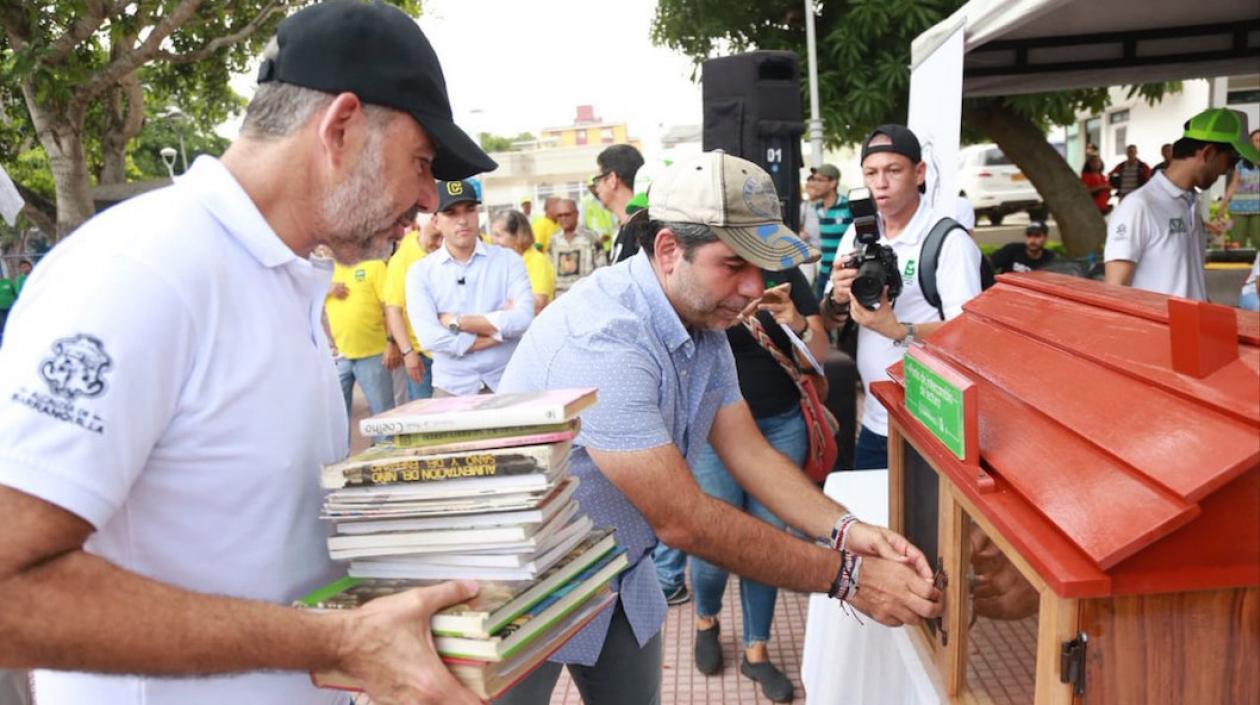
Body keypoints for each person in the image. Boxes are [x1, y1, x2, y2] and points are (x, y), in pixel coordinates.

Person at [0, 3, 498, 705]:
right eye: (422, 163)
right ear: (342, 127)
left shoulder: (280, 275)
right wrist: (338, 640)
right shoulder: (141, 271)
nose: (426, 200)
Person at [493, 151, 941, 705]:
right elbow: (684, 522)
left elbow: (746, 449)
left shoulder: (704, 320)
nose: (755, 287)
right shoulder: (603, 339)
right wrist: (848, 578)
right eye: (734, 265)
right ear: (667, 250)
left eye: (762, 266)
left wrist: (845, 529)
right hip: (522, 584)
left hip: (619, 575)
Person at [689, 265, 830, 702]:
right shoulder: (706, 266)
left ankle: (757, 650)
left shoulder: (784, 271)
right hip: (718, 431)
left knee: (769, 541)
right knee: (714, 545)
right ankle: (706, 619)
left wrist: (801, 324)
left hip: (782, 426)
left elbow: (820, 354)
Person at [822, 124, 983, 471]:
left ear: (919, 172)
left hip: (934, 426)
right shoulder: (857, 232)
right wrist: (837, 296)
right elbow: (829, 319)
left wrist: (899, 330)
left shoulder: (947, 241)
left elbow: (971, 334)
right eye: (871, 172)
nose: (881, 183)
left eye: (893, 170)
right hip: (877, 419)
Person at [1105, 109, 1257, 301]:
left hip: (1192, 328)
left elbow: (1190, 282)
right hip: (1159, 330)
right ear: (1209, 153)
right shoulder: (1139, 206)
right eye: (1232, 159)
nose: (1230, 169)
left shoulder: (1190, 205)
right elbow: (1115, 291)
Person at [407, 180, 534, 397]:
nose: (463, 220)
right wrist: (495, 335)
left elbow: (523, 319)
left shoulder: (508, 261)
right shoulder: (421, 273)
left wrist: (457, 322)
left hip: (508, 382)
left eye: (470, 210)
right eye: (451, 213)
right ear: (436, 221)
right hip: (452, 387)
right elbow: (429, 337)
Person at [325, 255, 395, 424]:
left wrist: (391, 342)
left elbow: (390, 306)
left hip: (373, 354)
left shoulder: (375, 265)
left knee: (383, 417)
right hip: (338, 357)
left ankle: (385, 450)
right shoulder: (324, 271)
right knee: (336, 420)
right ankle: (343, 452)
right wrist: (324, 288)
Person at [492, 209, 556, 313]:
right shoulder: (506, 262)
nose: (493, 241)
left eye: (498, 235)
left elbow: (539, 303)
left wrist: (501, 303)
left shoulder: (537, 260)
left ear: (517, 235)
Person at [592, 144, 645, 263]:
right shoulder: (625, 229)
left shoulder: (642, 231)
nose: (597, 189)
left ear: (612, 179)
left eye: (597, 181)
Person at [808, 163, 852, 299]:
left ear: (833, 183)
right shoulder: (816, 208)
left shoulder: (848, 206)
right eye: (814, 179)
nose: (815, 184)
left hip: (844, 274)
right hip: (824, 271)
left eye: (820, 180)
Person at [547, 197, 605, 295]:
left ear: (576, 214)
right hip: (560, 297)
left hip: (586, 294)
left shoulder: (591, 237)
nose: (563, 218)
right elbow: (549, 270)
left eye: (567, 214)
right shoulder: (554, 240)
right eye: (559, 216)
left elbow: (602, 268)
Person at [1219, 129, 1260, 248]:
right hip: (1238, 208)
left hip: (1258, 210)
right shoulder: (1241, 163)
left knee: (1258, 242)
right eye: (1256, 140)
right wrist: (1223, 205)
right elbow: (1234, 184)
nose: (1259, 143)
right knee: (1237, 242)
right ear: (1250, 144)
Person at [990, 221, 1057, 274]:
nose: (1032, 240)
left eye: (1037, 236)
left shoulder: (1050, 258)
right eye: (1029, 235)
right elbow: (988, 266)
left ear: (1045, 238)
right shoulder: (1011, 250)